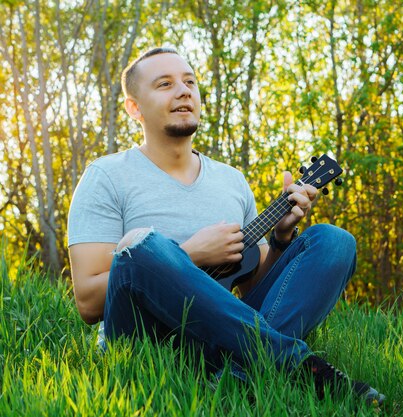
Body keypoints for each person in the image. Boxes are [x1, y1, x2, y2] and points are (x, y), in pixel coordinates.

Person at [67, 47, 385, 406]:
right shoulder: (106, 176)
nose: (184, 91)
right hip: (144, 341)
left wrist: (280, 237)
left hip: (219, 340)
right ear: (134, 108)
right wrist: (190, 255)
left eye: (190, 82)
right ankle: (294, 364)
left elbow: (255, 288)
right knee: (141, 244)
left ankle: (238, 376)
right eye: (165, 84)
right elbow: (89, 302)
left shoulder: (231, 181)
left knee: (334, 240)